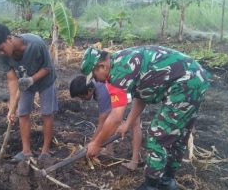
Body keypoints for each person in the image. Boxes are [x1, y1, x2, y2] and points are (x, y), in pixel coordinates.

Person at [80, 46, 210, 190]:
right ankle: (167, 182)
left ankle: (151, 186)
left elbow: (115, 117)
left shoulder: (118, 74)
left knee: (156, 136)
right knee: (177, 136)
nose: (97, 81)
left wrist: (97, 143)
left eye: (94, 75)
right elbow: (141, 96)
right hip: (196, 77)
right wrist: (128, 124)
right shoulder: (121, 60)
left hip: (185, 83)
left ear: (102, 66)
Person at [0, 23, 58, 161]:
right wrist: (12, 108)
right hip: (24, 83)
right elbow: (12, 80)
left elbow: (48, 68)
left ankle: (45, 152)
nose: (1, 53)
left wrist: (32, 80)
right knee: (22, 113)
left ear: (9, 38)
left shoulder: (36, 44)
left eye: (1, 49)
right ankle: (26, 151)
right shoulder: (2, 55)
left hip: (45, 80)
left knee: (47, 113)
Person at [69, 75, 142, 170]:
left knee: (135, 122)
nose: (82, 99)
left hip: (132, 90)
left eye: (83, 96)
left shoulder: (101, 92)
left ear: (90, 90)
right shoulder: (93, 83)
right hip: (121, 89)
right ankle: (109, 150)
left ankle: (135, 161)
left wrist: (93, 144)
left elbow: (102, 123)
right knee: (111, 120)